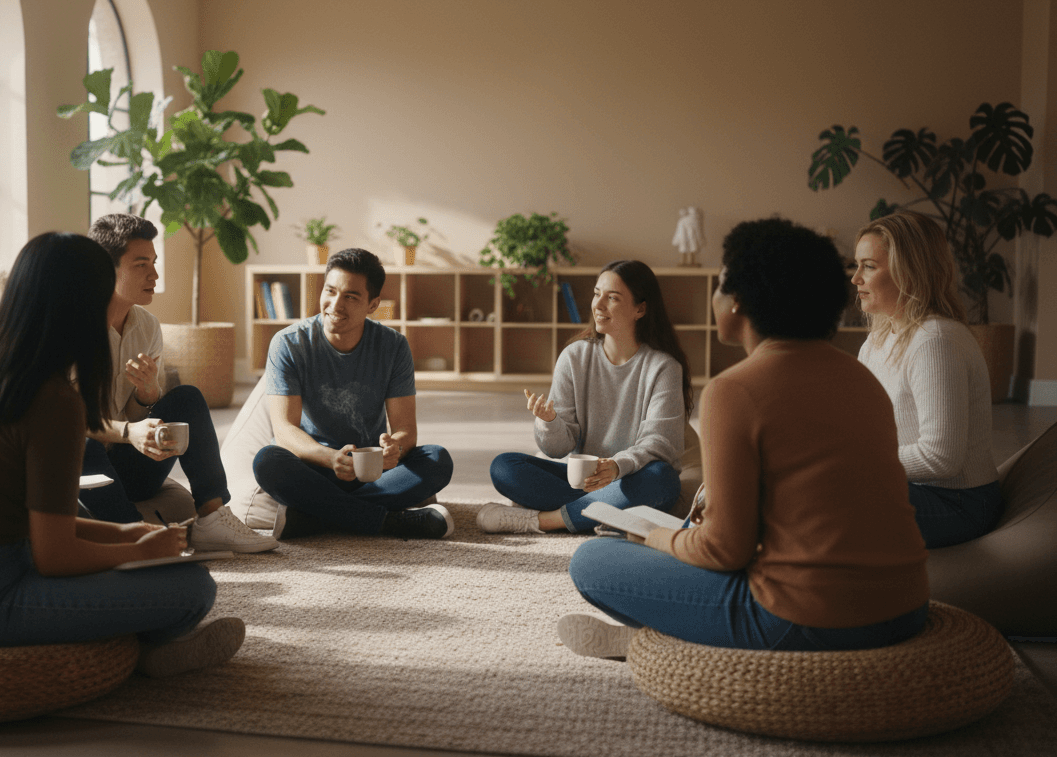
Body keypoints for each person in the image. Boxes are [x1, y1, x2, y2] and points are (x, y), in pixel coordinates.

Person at [558, 218, 928, 658]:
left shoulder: (733, 390)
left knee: (593, 561)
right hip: (907, 607)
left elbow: (723, 550)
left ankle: (667, 645)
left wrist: (653, 538)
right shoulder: (862, 378)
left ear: (737, 302)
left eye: (719, 286)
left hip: (809, 619)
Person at [0, 232, 243, 675]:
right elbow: (53, 556)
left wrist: (130, 536)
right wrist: (137, 553)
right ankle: (152, 653)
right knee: (193, 588)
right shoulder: (54, 400)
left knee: (94, 522)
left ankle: (141, 637)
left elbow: (31, 525)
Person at [77, 213, 274, 553]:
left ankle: (212, 515)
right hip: (84, 470)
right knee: (81, 443)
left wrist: (147, 393)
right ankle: (137, 536)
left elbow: (139, 412)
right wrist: (128, 432)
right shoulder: (72, 328)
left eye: (154, 262)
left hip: (127, 466)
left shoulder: (147, 326)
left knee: (186, 398)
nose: (155, 275)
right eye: (142, 265)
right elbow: (64, 420)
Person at [252, 248, 455, 540]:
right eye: (330, 291)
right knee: (268, 462)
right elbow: (284, 431)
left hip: (372, 471)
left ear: (373, 305)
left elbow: (406, 430)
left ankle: (315, 516)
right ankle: (388, 522)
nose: (335, 304)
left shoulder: (393, 346)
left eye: (351, 296)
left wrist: (392, 449)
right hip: (314, 468)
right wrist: (331, 458)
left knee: (437, 459)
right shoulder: (288, 344)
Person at [481, 260, 689, 534]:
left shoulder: (664, 367)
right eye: (596, 293)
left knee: (662, 480)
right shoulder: (574, 356)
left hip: (631, 477)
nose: (598, 305)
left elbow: (660, 443)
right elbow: (557, 449)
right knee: (505, 467)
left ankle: (542, 520)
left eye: (612, 298)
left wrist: (616, 466)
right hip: (581, 481)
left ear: (640, 308)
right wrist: (550, 421)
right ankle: (608, 513)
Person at [852, 210, 1002, 548]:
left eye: (869, 266)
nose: (855, 278)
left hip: (958, 503)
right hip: (911, 488)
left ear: (909, 271)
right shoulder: (876, 342)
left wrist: (855, 461)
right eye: (857, 265)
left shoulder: (935, 341)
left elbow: (941, 457)